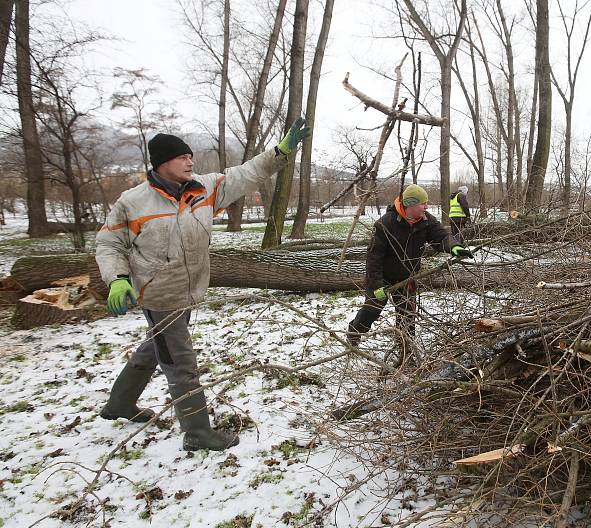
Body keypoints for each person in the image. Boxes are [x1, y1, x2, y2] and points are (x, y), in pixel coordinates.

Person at [96, 118, 310, 451]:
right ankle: (196, 430)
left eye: (190, 157)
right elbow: (109, 244)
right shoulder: (133, 201)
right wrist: (118, 280)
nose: (190, 162)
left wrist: (280, 152)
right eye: (182, 157)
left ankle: (120, 403)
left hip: (190, 290)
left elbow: (246, 174)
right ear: (162, 162)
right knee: (181, 362)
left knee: (157, 346)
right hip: (159, 293)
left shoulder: (203, 188)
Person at [346, 184, 473, 362]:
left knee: (407, 317)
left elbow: (441, 237)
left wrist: (455, 247)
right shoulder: (385, 224)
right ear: (411, 205)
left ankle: (405, 353)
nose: (426, 207)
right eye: (423, 204)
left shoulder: (425, 220)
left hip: (407, 277)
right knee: (372, 310)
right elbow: (373, 258)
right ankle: (353, 334)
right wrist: (377, 285)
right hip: (382, 277)